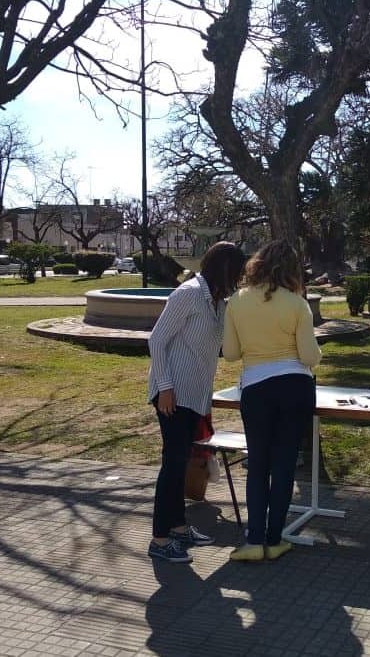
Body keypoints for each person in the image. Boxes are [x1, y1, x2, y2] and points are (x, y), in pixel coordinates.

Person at [147, 242, 247, 563]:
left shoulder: (217, 302)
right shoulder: (188, 293)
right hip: (172, 394)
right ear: (224, 269)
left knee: (181, 464)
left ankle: (178, 527)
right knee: (173, 465)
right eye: (237, 272)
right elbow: (157, 340)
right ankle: (160, 540)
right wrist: (165, 387)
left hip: (194, 397)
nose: (239, 279)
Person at [222, 240, 322, 562]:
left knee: (258, 465)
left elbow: (232, 354)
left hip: (256, 389)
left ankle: (253, 541)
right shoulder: (297, 304)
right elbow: (310, 357)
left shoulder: (236, 302)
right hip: (295, 388)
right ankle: (275, 540)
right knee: (283, 467)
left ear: (257, 264)